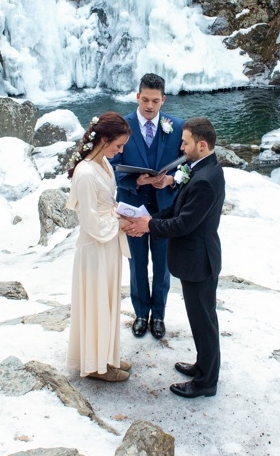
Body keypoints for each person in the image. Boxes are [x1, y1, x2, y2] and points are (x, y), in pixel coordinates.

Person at [124, 117, 224, 398]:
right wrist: (149, 218)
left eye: (186, 142)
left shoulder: (205, 180)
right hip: (196, 258)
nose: (181, 146)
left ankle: (206, 383)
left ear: (201, 145)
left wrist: (148, 226)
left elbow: (184, 224)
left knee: (204, 322)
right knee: (200, 319)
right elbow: (178, 211)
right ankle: (203, 366)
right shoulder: (202, 169)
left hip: (199, 260)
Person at [111, 73, 184, 340]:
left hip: (166, 211)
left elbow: (187, 164)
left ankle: (160, 316)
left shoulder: (177, 127)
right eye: (145, 100)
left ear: (163, 99)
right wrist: (135, 179)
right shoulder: (123, 126)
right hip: (134, 209)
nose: (150, 106)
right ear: (137, 96)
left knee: (162, 266)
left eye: (155, 100)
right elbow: (110, 165)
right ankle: (141, 314)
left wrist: (170, 179)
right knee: (137, 265)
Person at [65, 112, 133, 382]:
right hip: (95, 246)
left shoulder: (102, 162)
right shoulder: (85, 173)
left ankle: (106, 355)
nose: (121, 150)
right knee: (96, 301)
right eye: (118, 145)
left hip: (109, 242)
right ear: (103, 140)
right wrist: (120, 224)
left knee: (107, 299)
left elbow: (104, 204)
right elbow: (90, 221)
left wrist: (122, 213)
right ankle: (95, 365)